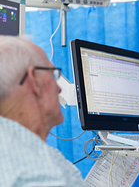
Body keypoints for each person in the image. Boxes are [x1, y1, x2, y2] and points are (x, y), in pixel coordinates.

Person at [0, 36, 87, 187]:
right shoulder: (38, 175)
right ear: (35, 80)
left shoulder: (28, 152)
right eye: (53, 74)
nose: (59, 88)